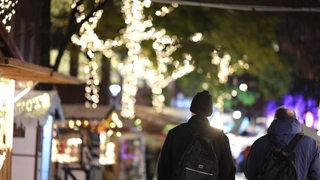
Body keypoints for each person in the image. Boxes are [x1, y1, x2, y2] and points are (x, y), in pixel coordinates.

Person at [157, 90, 236, 180]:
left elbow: (163, 169)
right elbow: (228, 173)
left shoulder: (175, 133)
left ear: (192, 110)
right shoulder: (221, 138)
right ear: (209, 112)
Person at [244, 106, 320, 180]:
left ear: (275, 119)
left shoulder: (260, 143)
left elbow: (249, 173)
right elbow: (316, 174)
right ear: (295, 120)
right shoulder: (310, 143)